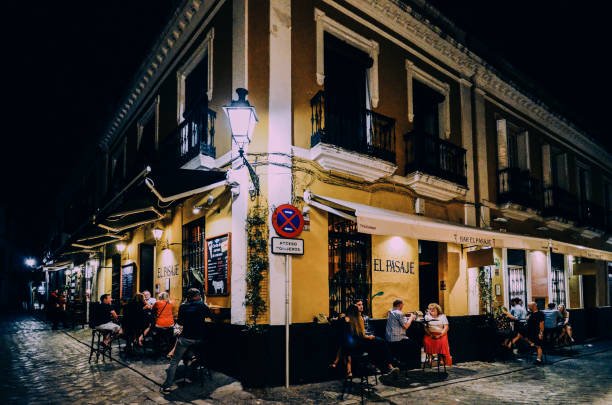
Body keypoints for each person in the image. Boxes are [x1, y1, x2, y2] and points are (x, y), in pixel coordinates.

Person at [161, 288, 213, 394]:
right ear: (197, 295)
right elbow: (209, 315)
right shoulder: (202, 305)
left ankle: (167, 386)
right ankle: (192, 356)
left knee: (174, 361)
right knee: (194, 346)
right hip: (200, 339)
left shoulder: (183, 306)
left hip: (186, 338)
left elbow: (180, 322)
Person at [342, 304, 398, 377]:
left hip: (350, 346)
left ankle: (376, 365)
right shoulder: (357, 319)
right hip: (359, 346)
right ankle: (383, 366)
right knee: (380, 343)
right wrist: (369, 337)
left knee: (376, 344)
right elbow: (362, 335)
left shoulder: (344, 319)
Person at [385, 299, 420, 369]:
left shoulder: (391, 311)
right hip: (397, 339)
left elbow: (398, 319)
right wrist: (411, 318)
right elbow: (406, 326)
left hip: (389, 337)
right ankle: (413, 366)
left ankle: (403, 363)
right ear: (400, 305)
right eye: (403, 305)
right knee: (416, 347)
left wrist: (407, 317)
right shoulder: (399, 313)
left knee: (410, 343)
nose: (403, 306)